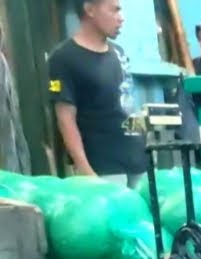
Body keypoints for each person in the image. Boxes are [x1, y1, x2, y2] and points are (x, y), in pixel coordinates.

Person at [47, 0, 147, 186]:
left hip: (138, 165)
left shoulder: (118, 53)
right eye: (114, 10)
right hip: (103, 170)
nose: (121, 18)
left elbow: (126, 106)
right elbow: (65, 120)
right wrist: (86, 171)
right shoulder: (63, 58)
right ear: (90, 10)